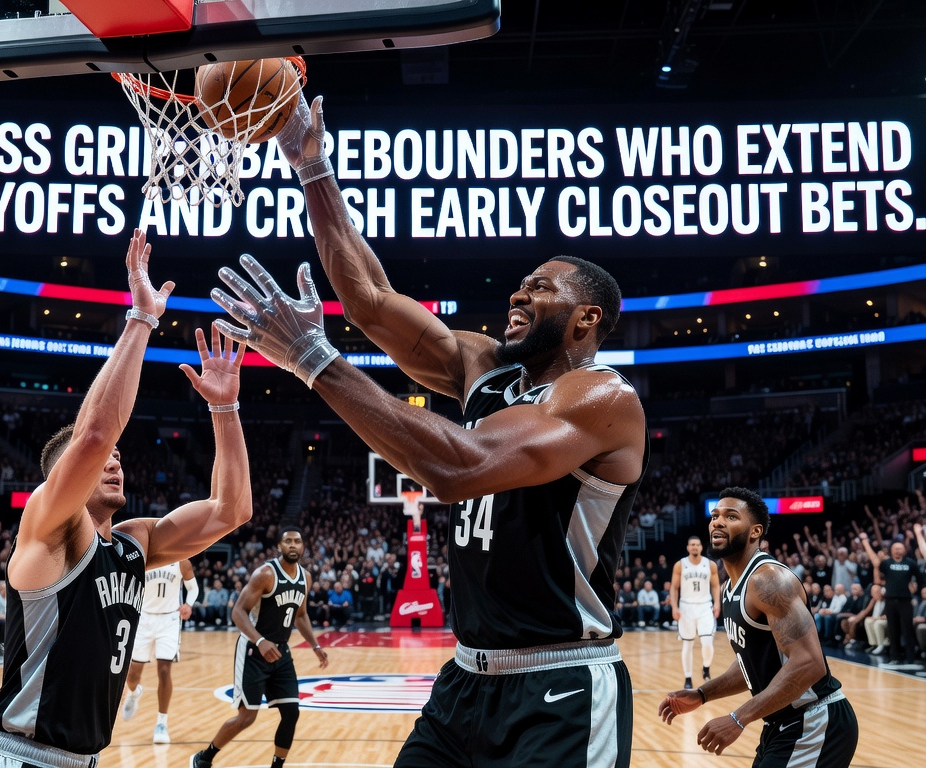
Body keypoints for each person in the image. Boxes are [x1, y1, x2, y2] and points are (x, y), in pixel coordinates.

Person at [210, 95, 645, 768]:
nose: (517, 296)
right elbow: (371, 301)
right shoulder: (483, 364)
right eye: (520, 286)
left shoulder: (601, 398)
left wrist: (314, 362)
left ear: (587, 320)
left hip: (561, 682)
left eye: (540, 290)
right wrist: (312, 167)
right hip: (465, 677)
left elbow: (458, 469)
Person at [0, 231, 254, 768]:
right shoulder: (49, 527)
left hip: (84, 760)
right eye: (103, 461)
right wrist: (141, 319)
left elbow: (230, 510)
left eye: (121, 457)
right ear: (64, 480)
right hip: (21, 756)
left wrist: (226, 411)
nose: (114, 460)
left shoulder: (132, 543)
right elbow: (94, 436)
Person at [658, 488, 857, 767]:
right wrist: (702, 694)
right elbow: (749, 666)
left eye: (730, 516)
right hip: (780, 724)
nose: (717, 521)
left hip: (814, 719)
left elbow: (810, 663)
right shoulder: (730, 589)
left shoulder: (768, 580)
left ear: (755, 532)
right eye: (715, 516)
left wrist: (738, 717)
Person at [190, 527, 328, 768]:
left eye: (297, 541)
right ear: (279, 547)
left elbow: (301, 615)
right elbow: (238, 612)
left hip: (281, 652)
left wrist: (315, 645)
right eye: (288, 542)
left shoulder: (305, 577)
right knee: (246, 717)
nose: (293, 545)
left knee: (291, 712)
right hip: (254, 652)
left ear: (303, 546)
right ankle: (204, 757)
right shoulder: (265, 574)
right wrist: (261, 641)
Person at [121, 559, 198, 744]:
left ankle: (161, 723)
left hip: (169, 619)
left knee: (164, 671)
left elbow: (193, 588)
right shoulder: (145, 559)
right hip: (144, 619)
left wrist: (188, 604)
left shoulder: (182, 562)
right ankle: (134, 693)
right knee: (132, 676)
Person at [858, 533, 919, 667]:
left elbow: (919, 579)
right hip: (890, 600)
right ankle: (895, 657)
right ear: (891, 550)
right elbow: (875, 563)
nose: (898, 550)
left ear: (904, 550)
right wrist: (866, 542)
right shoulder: (886, 563)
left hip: (905, 601)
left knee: (908, 629)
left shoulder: (911, 563)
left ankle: (910, 657)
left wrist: (915, 586)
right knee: (893, 629)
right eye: (895, 548)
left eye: (900, 548)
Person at [671, 535, 721, 689]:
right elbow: (674, 587)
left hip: (705, 606)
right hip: (686, 607)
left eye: (697, 545)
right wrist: (674, 607)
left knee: (707, 643)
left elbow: (715, 585)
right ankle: (688, 678)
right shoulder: (680, 565)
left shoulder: (710, 565)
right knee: (688, 644)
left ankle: (706, 667)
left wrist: (717, 603)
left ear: (701, 547)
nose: (694, 547)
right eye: (692, 544)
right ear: (688, 547)